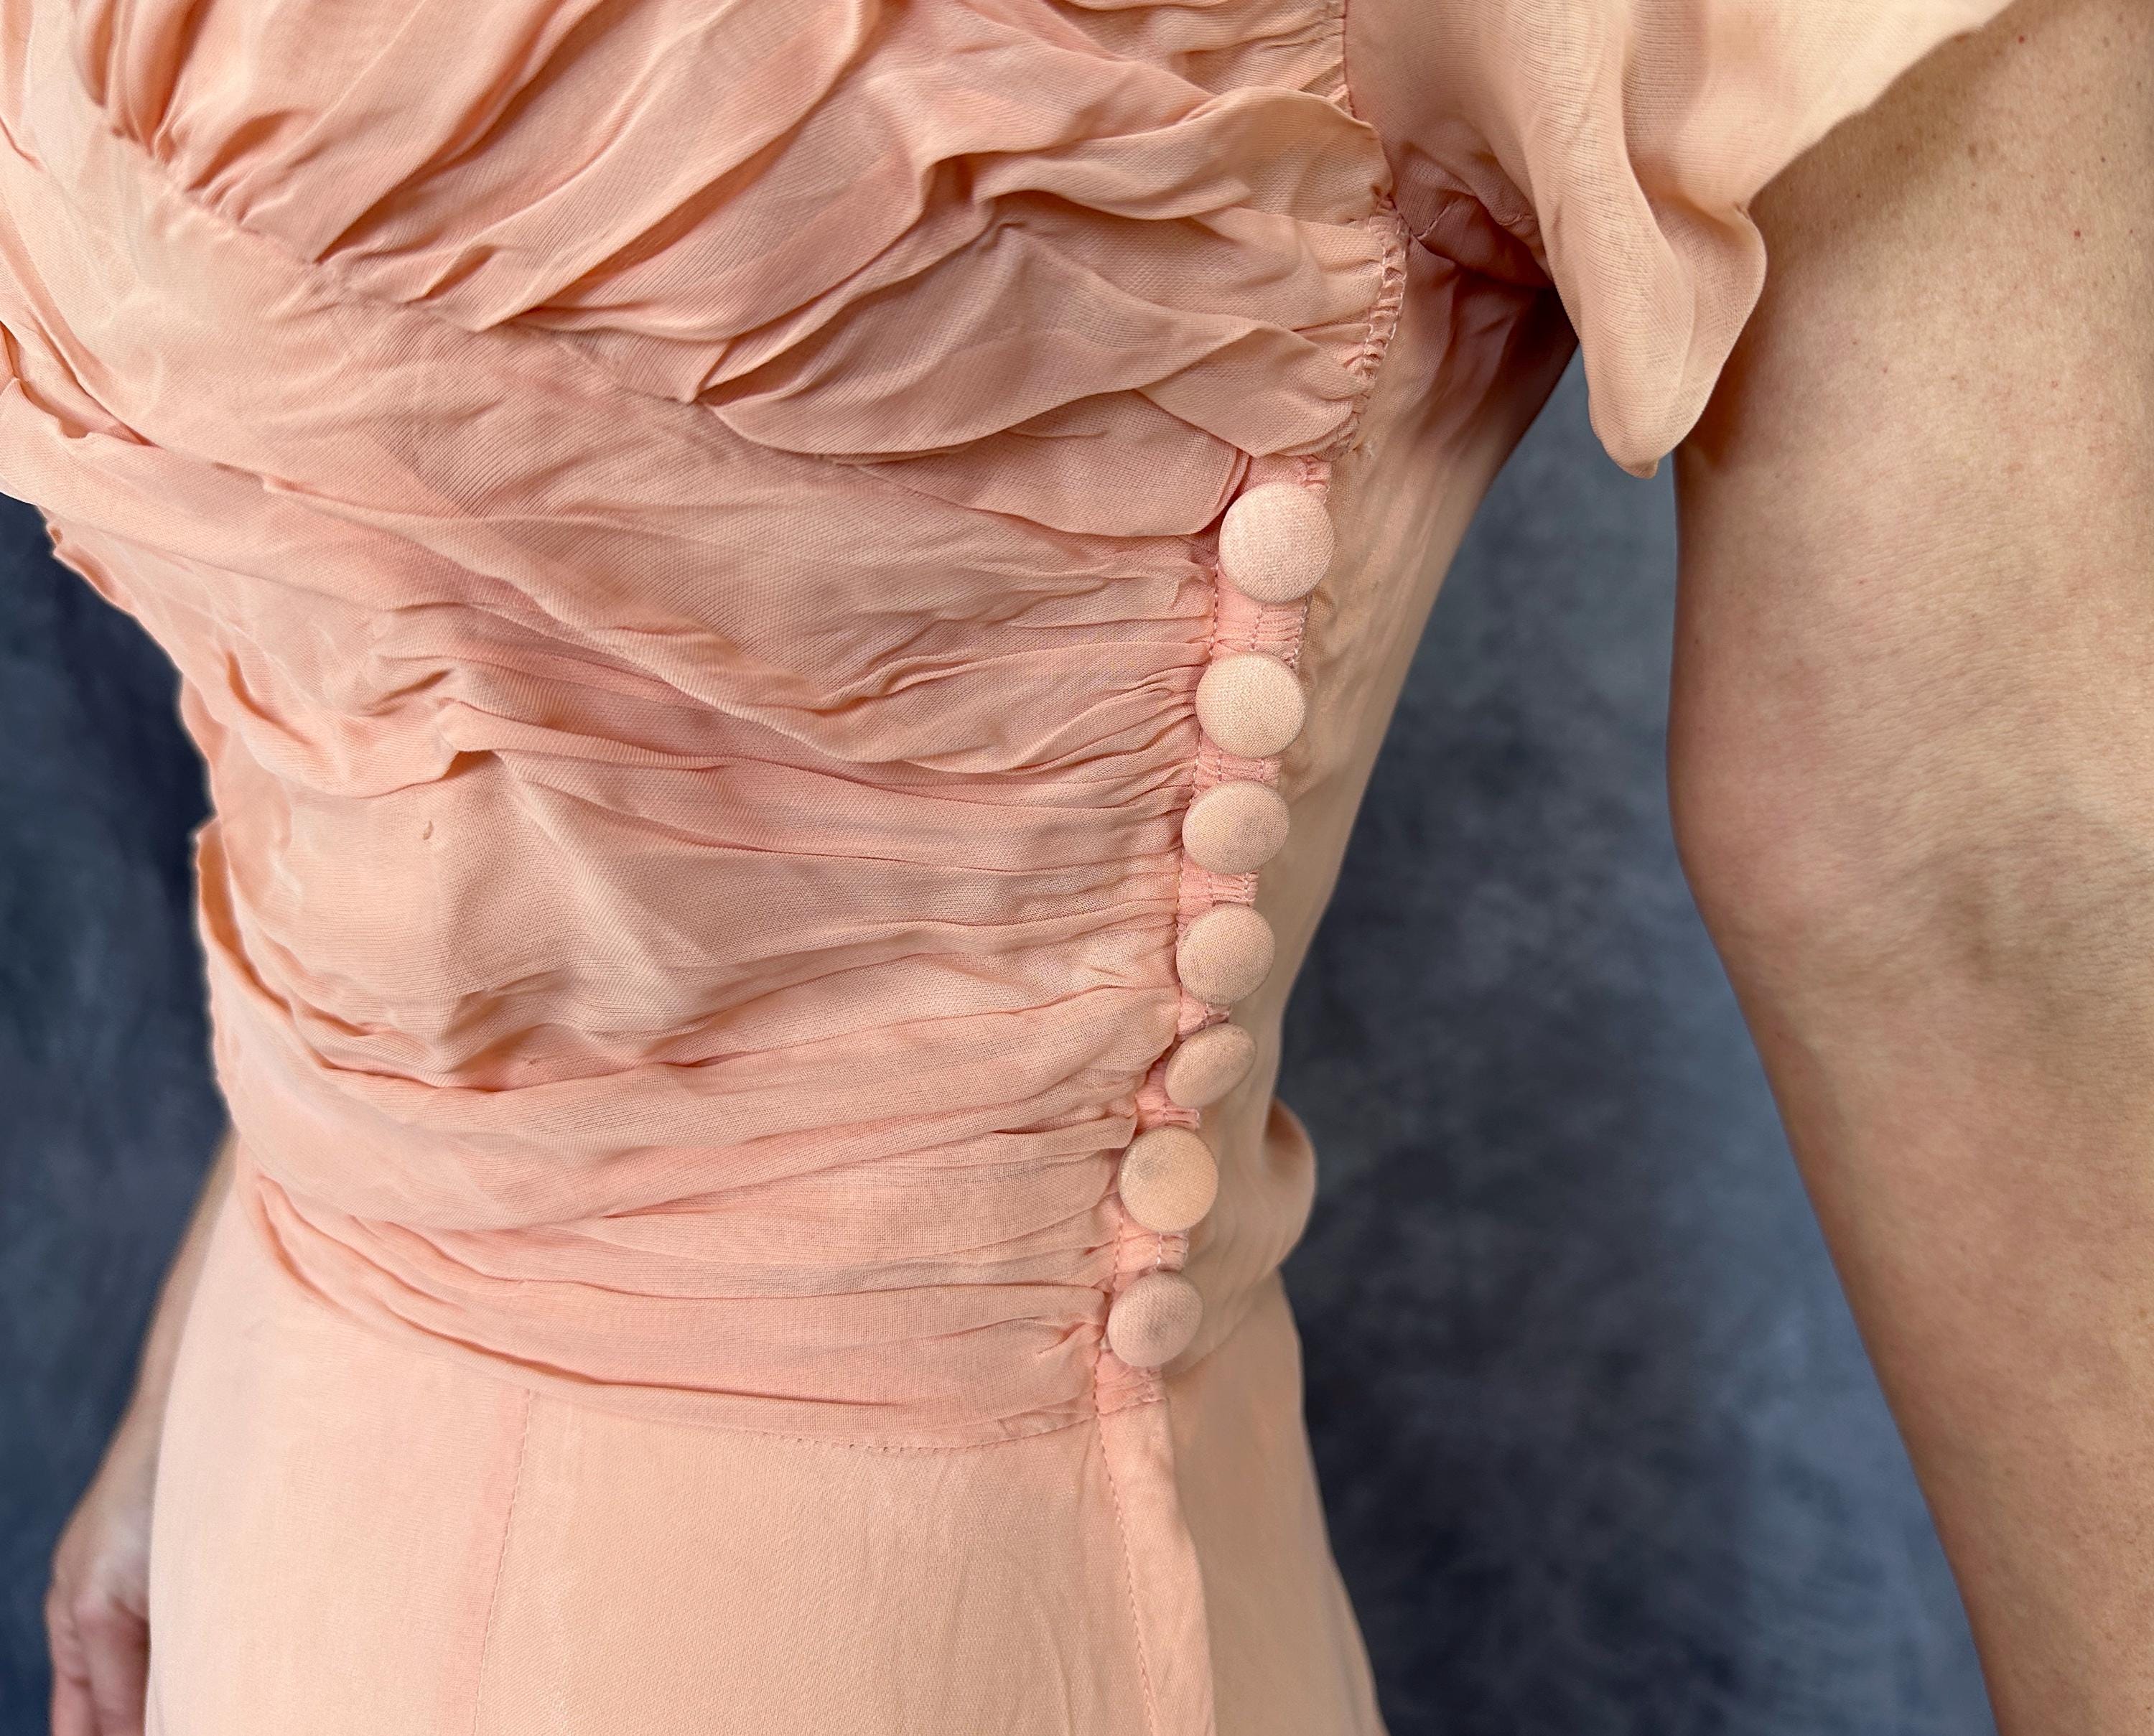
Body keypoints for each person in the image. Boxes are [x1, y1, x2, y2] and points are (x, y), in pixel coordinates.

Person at [14, 0, 2147, 1730]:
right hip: (291, 1449)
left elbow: (1992, 892)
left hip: (879, 1621)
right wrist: (257, 1260)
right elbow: (453, 669)